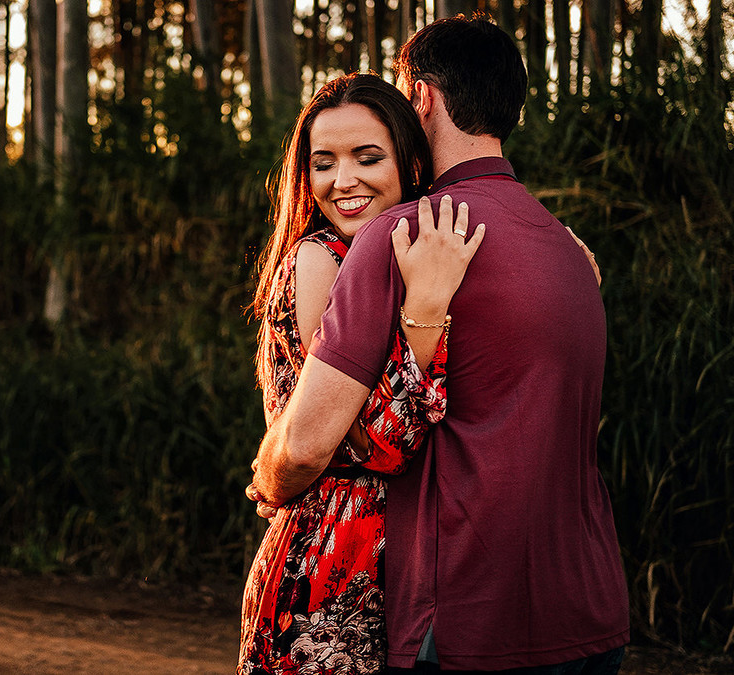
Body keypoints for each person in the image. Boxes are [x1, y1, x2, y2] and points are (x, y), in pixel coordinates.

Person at [249, 16, 628, 674]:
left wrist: (266, 476)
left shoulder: (396, 238)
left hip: (462, 625)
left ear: (420, 97)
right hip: (591, 616)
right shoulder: (569, 252)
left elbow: (308, 444)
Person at [239, 73, 484, 674]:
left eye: (366, 158)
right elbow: (371, 440)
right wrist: (425, 316)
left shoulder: (393, 250)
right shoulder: (322, 258)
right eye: (323, 163)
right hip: (328, 557)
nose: (342, 182)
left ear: (407, 158)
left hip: (386, 554)